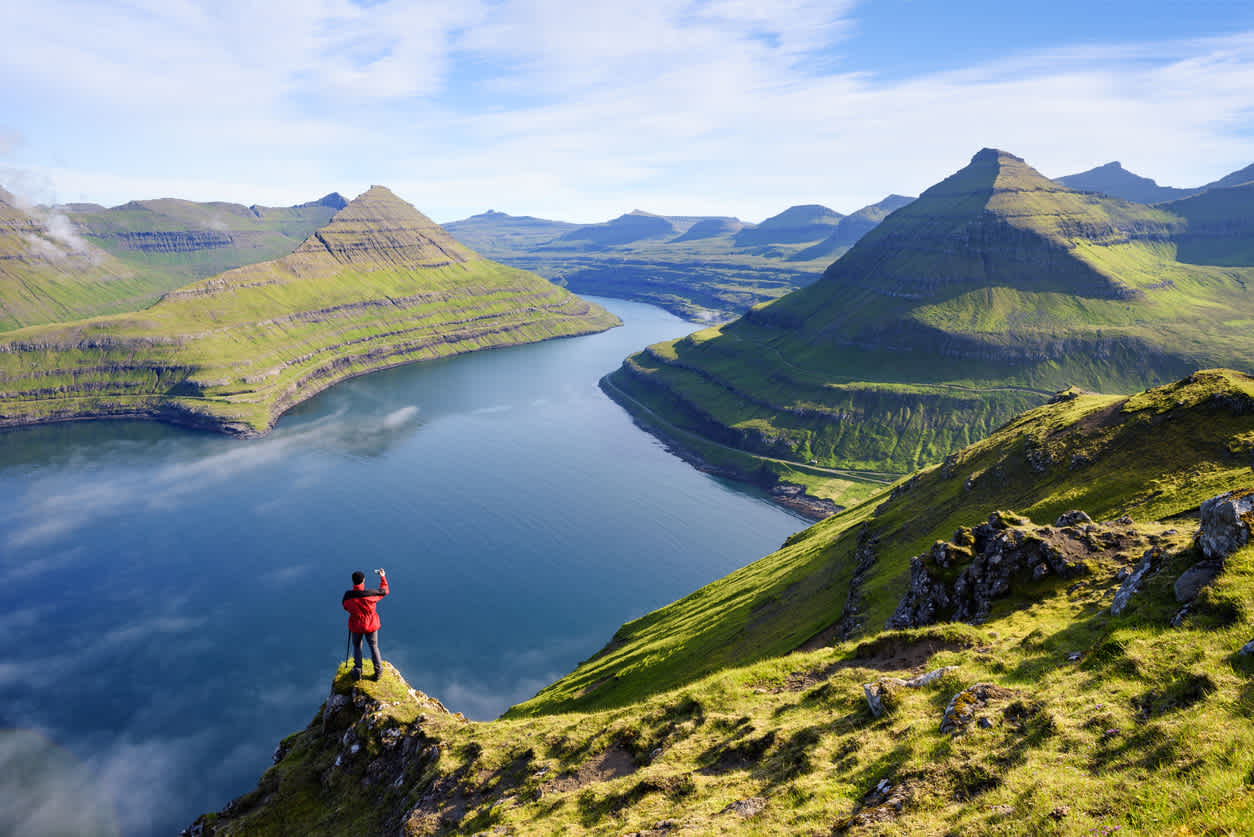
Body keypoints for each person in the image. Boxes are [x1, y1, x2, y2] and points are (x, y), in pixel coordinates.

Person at [342, 568, 389, 681]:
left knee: (357, 646)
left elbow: (345, 606)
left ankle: (358, 671)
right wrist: (382, 577)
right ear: (363, 580)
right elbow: (384, 591)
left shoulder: (348, 596)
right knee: (373, 646)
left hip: (356, 625)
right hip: (371, 625)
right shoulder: (370, 594)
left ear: (353, 581)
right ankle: (378, 671)